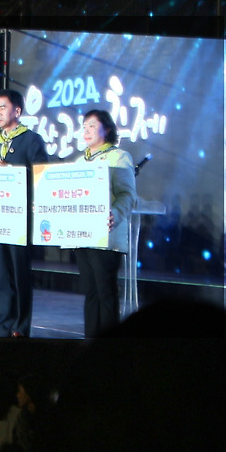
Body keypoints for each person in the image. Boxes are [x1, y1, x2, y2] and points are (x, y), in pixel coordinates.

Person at [0, 89, 48, 338]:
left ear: (18, 111)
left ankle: (20, 326)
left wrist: (10, 169)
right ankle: (3, 324)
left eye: (3, 107)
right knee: (1, 276)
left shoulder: (31, 140)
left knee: (19, 274)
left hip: (21, 220)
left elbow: (42, 176)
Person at [75, 109, 136, 338]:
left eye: (92, 125)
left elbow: (127, 195)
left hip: (107, 237)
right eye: (84, 126)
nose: (86, 130)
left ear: (107, 129)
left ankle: (110, 347)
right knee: (90, 294)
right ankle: (90, 342)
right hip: (82, 236)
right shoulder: (80, 161)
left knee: (105, 293)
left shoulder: (118, 157)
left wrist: (115, 215)